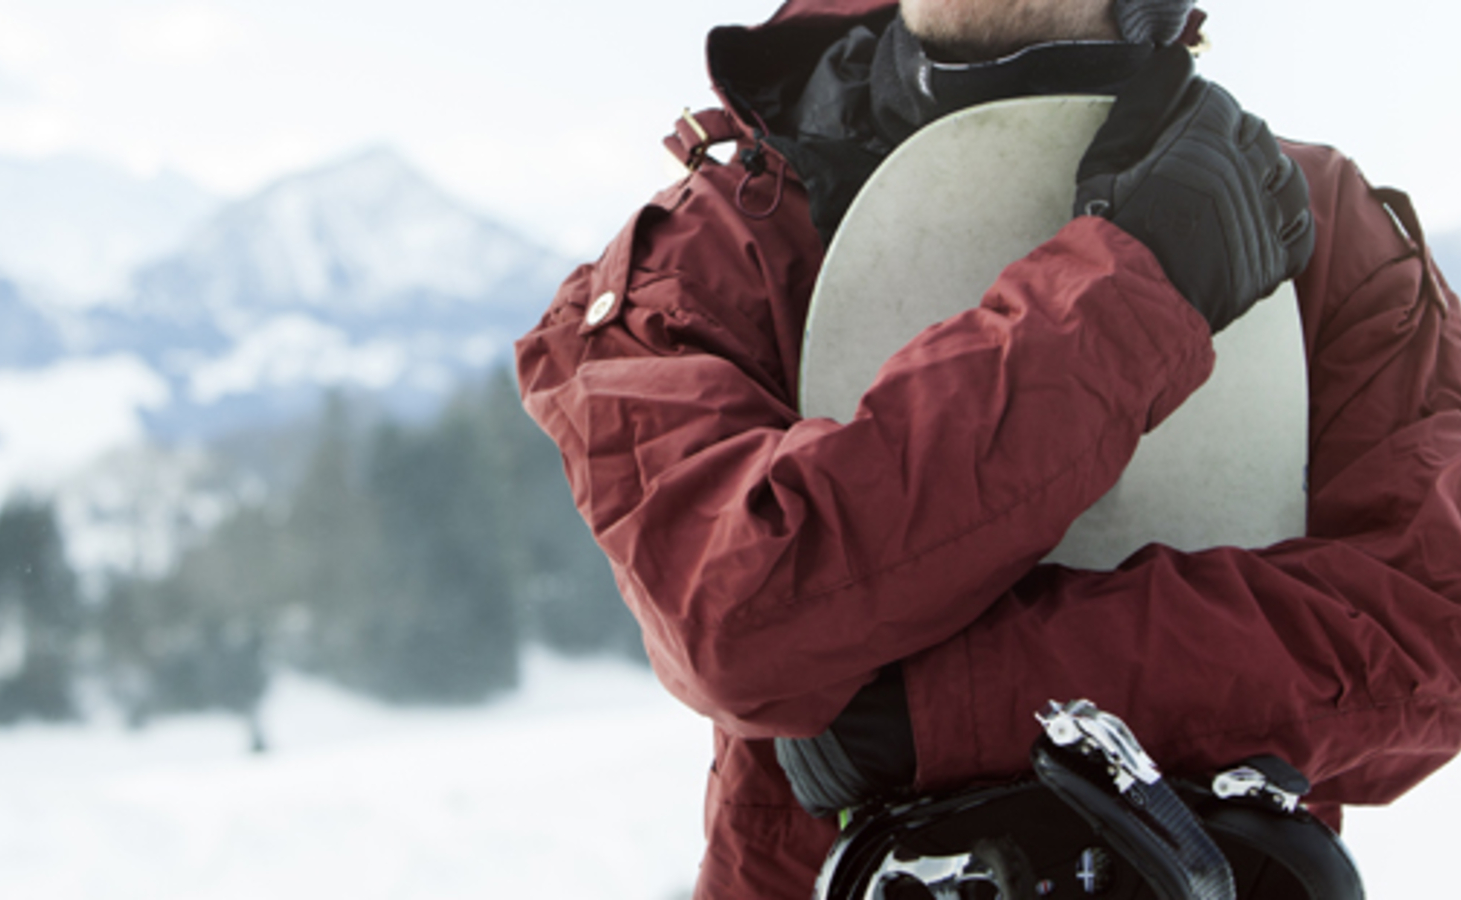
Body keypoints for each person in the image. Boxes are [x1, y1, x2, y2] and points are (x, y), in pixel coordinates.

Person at [515, 0, 1461, 897]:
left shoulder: (1311, 217)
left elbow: (1432, 619)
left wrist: (944, 707)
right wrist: (1132, 293)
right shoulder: (714, 249)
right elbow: (734, 612)